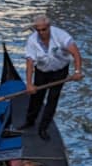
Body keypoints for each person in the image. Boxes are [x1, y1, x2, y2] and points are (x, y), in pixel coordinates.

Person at [19, 13, 83, 141]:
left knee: (52, 99)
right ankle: (30, 121)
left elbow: (76, 54)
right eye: (38, 30)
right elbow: (30, 63)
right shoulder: (32, 40)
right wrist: (29, 84)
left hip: (60, 71)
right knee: (36, 97)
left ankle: (43, 128)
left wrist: (77, 71)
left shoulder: (61, 36)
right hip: (42, 71)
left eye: (44, 29)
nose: (41, 32)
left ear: (49, 26)